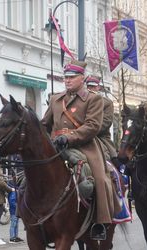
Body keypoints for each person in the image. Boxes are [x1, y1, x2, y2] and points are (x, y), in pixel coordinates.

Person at [41, 60, 115, 240]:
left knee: (98, 178)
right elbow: (45, 124)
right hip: (56, 146)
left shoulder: (93, 99)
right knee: (32, 173)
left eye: (72, 77)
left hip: (85, 146)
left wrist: (69, 137)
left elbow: (93, 126)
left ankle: (99, 222)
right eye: (66, 77)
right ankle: (30, 215)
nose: (67, 80)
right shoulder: (55, 99)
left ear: (82, 78)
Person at [84, 76, 118, 163]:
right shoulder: (81, 102)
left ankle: (113, 173)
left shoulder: (107, 103)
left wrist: (87, 131)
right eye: (89, 87)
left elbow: (106, 123)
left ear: (98, 87)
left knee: (111, 158)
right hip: (80, 134)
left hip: (99, 136)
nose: (90, 89)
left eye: (93, 87)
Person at [8, 179, 23, 243]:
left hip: (14, 210)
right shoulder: (14, 192)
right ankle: (12, 237)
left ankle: (15, 236)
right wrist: (19, 206)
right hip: (14, 210)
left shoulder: (13, 190)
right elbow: (12, 201)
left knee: (16, 223)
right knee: (14, 224)